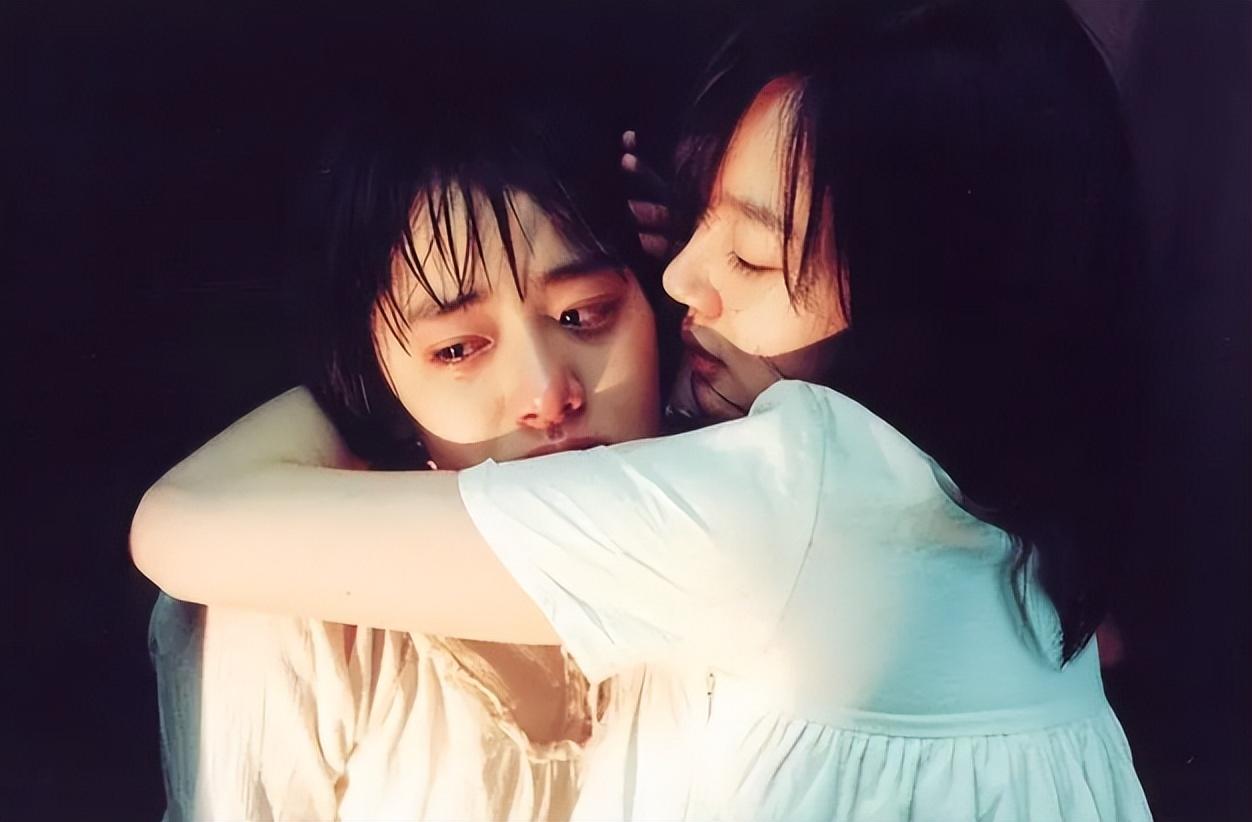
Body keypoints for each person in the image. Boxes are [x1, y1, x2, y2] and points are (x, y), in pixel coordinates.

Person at [133, 1, 1152, 818]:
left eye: (750, 254)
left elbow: (182, 521)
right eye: (694, 219)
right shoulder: (983, 525)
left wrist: (383, 369)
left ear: (924, 311)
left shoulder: (761, 502)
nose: (678, 283)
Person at [146, 82, 669, 820]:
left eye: (584, 314)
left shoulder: (736, 532)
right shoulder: (302, 607)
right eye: (457, 349)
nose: (548, 394)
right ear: (376, 378)